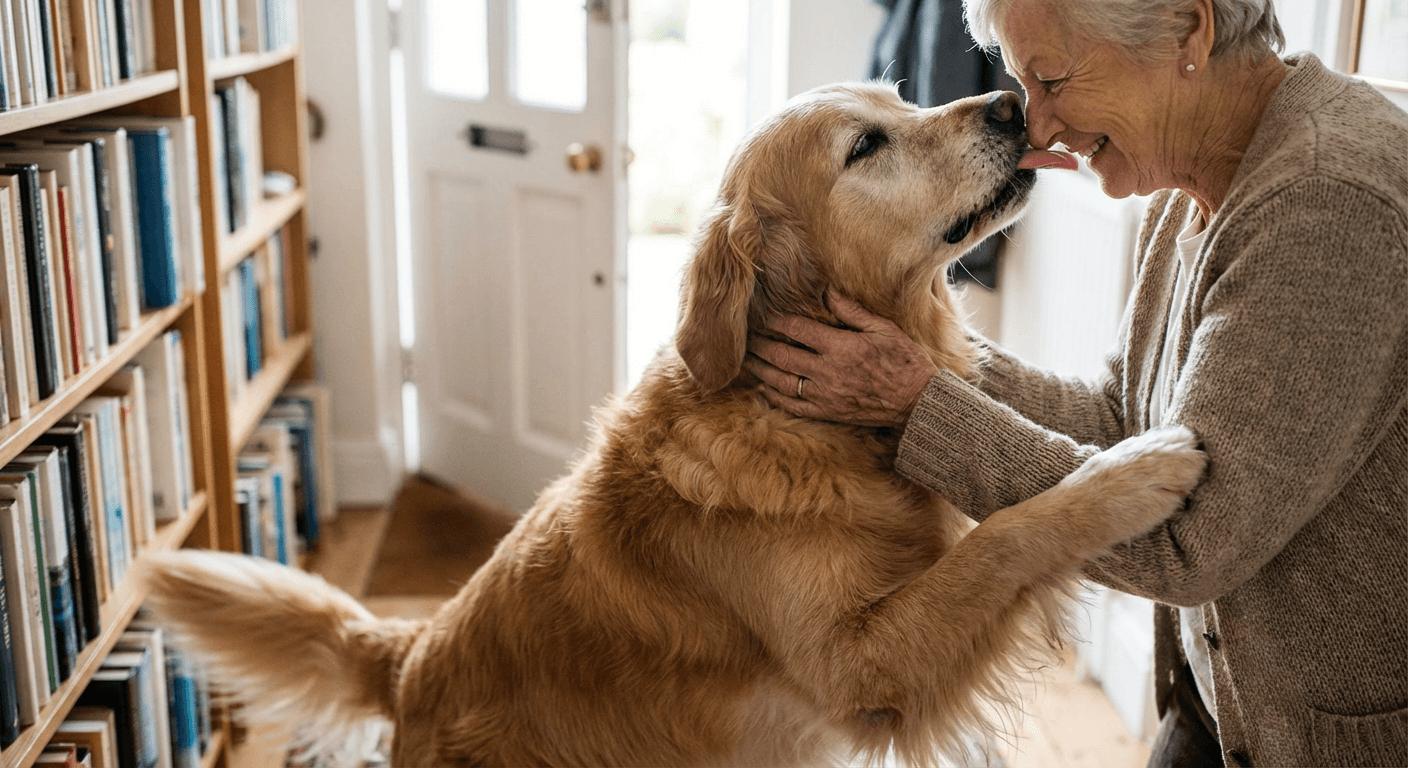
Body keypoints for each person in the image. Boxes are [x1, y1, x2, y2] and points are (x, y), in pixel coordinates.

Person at [742, 0, 1408, 765]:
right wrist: (924, 367)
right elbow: (1123, 420)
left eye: (1053, 79)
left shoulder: (1323, 205)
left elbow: (1184, 543)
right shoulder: (1201, 169)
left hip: (1328, 743)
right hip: (1217, 705)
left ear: (1189, 34)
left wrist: (918, 402)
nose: (1041, 126)